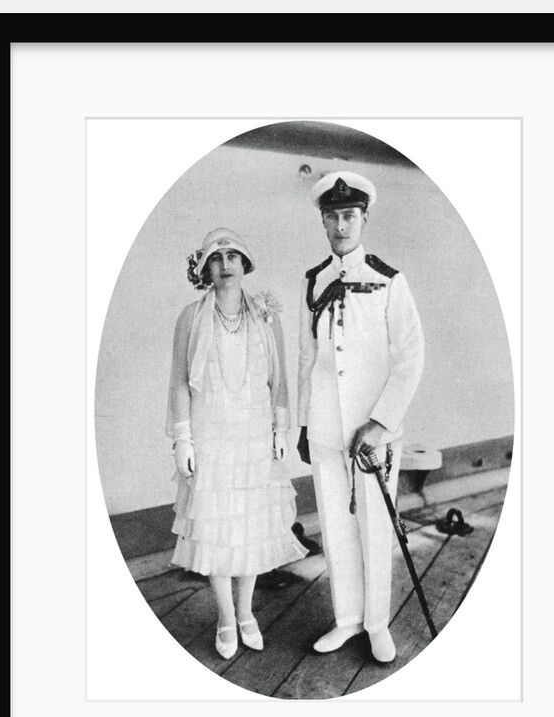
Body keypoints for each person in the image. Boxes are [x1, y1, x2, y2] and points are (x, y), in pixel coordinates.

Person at [297, 172, 425, 663]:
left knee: (374, 527)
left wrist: (381, 422)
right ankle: (347, 619)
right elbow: (307, 358)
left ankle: (376, 625)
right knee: (335, 527)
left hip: (372, 432)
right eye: (332, 216)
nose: (340, 225)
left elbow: (410, 357)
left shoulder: (389, 280)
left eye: (349, 215)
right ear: (323, 221)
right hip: (326, 427)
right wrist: (305, 425)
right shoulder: (314, 281)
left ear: (364, 218)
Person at [167, 227, 307, 660]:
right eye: (215, 257)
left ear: (245, 263)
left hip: (254, 437)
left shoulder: (265, 314)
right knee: (217, 528)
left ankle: (246, 613)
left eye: (232, 256)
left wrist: (280, 430)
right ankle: (226, 618)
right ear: (205, 268)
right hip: (211, 436)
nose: (225, 264)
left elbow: (279, 379)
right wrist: (183, 439)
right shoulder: (191, 317)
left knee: (250, 527)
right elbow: (179, 381)